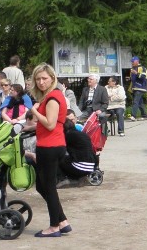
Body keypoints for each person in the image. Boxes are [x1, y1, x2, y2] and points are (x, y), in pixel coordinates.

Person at [30, 63, 71, 237]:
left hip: (50, 146)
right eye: (38, 79)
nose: (41, 82)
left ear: (52, 78)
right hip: (50, 145)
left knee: (48, 186)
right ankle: (62, 221)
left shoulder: (53, 97)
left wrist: (34, 110)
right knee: (42, 185)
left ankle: (55, 226)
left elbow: (50, 123)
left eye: (44, 78)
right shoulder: (50, 96)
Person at [57, 116, 97, 185]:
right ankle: (80, 178)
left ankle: (63, 179)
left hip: (80, 166)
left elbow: (59, 148)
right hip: (91, 166)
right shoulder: (82, 134)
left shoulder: (68, 135)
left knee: (55, 157)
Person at [129, 56, 147, 121]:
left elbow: (143, 77)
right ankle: (144, 115)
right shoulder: (133, 68)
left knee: (135, 101)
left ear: (137, 61)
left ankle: (133, 116)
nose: (132, 63)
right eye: (131, 61)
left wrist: (136, 73)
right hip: (135, 88)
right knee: (140, 102)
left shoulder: (142, 68)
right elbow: (133, 79)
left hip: (140, 87)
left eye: (133, 61)